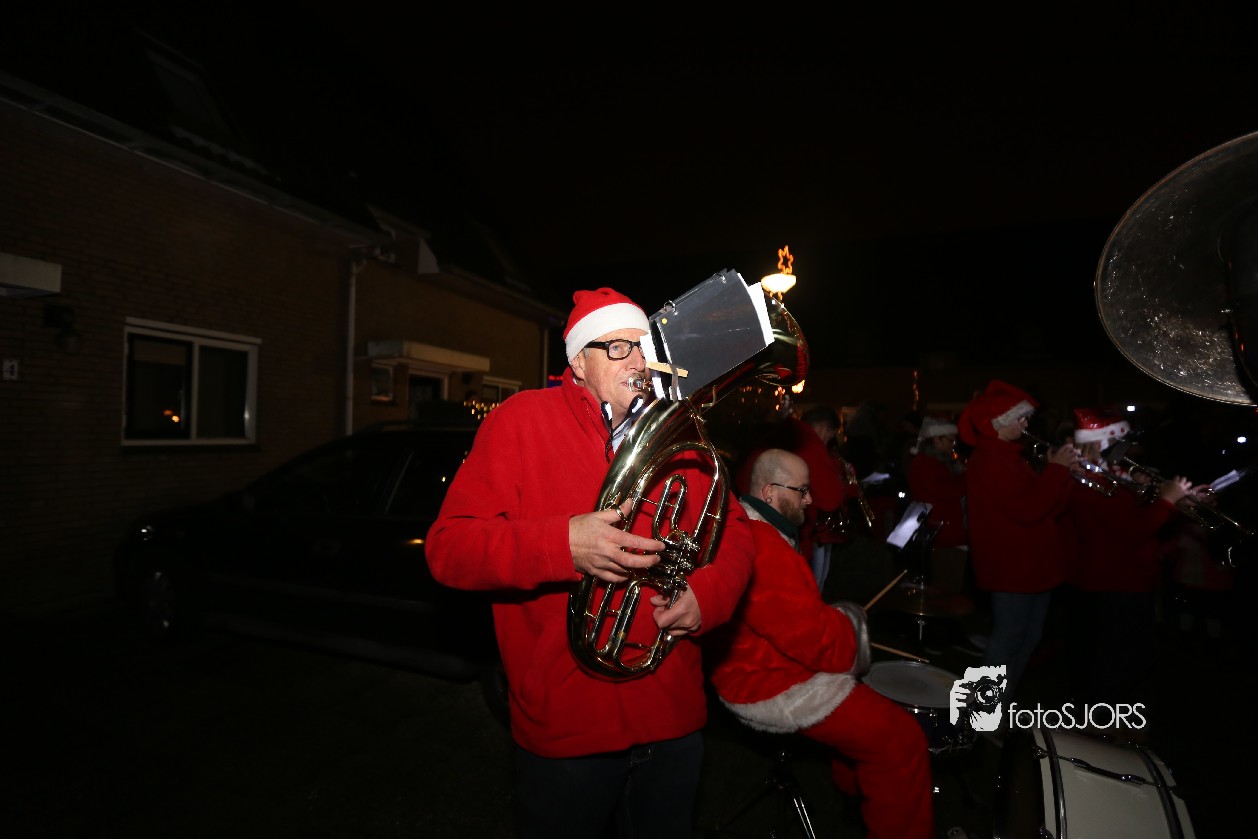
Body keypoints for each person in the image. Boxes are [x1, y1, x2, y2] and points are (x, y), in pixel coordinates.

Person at [425, 287, 756, 839]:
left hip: (671, 714)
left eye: (645, 346)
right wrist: (563, 545)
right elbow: (448, 548)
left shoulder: (680, 430)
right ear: (579, 362)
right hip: (568, 729)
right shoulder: (519, 421)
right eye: (618, 347)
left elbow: (738, 531)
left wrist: (711, 594)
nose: (639, 361)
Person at [706, 448, 935, 839]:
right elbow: (814, 640)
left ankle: (855, 796)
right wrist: (853, 630)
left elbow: (792, 619)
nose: (810, 499)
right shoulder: (765, 546)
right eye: (802, 490)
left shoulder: (753, 528)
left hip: (766, 665)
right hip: (770, 685)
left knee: (869, 719)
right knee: (901, 740)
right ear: (770, 491)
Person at [1062, 408, 1192, 722]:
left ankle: (1102, 715)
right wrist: (1167, 501)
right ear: (1103, 445)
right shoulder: (1091, 482)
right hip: (1115, 577)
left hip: (1125, 575)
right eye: (1121, 445)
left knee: (1124, 654)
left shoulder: (1109, 477)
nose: (1128, 451)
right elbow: (1133, 529)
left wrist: (1172, 500)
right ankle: (1100, 720)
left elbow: (1130, 518)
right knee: (1125, 656)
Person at [959, 380, 1081, 706]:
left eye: (1026, 417)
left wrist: (1065, 476)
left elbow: (1049, 509)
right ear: (997, 423)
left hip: (1031, 565)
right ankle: (979, 710)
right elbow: (1028, 510)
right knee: (1009, 639)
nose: (1026, 424)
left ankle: (1000, 702)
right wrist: (1056, 472)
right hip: (1013, 567)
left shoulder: (1011, 457)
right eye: (1019, 418)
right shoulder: (991, 459)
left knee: (1027, 638)